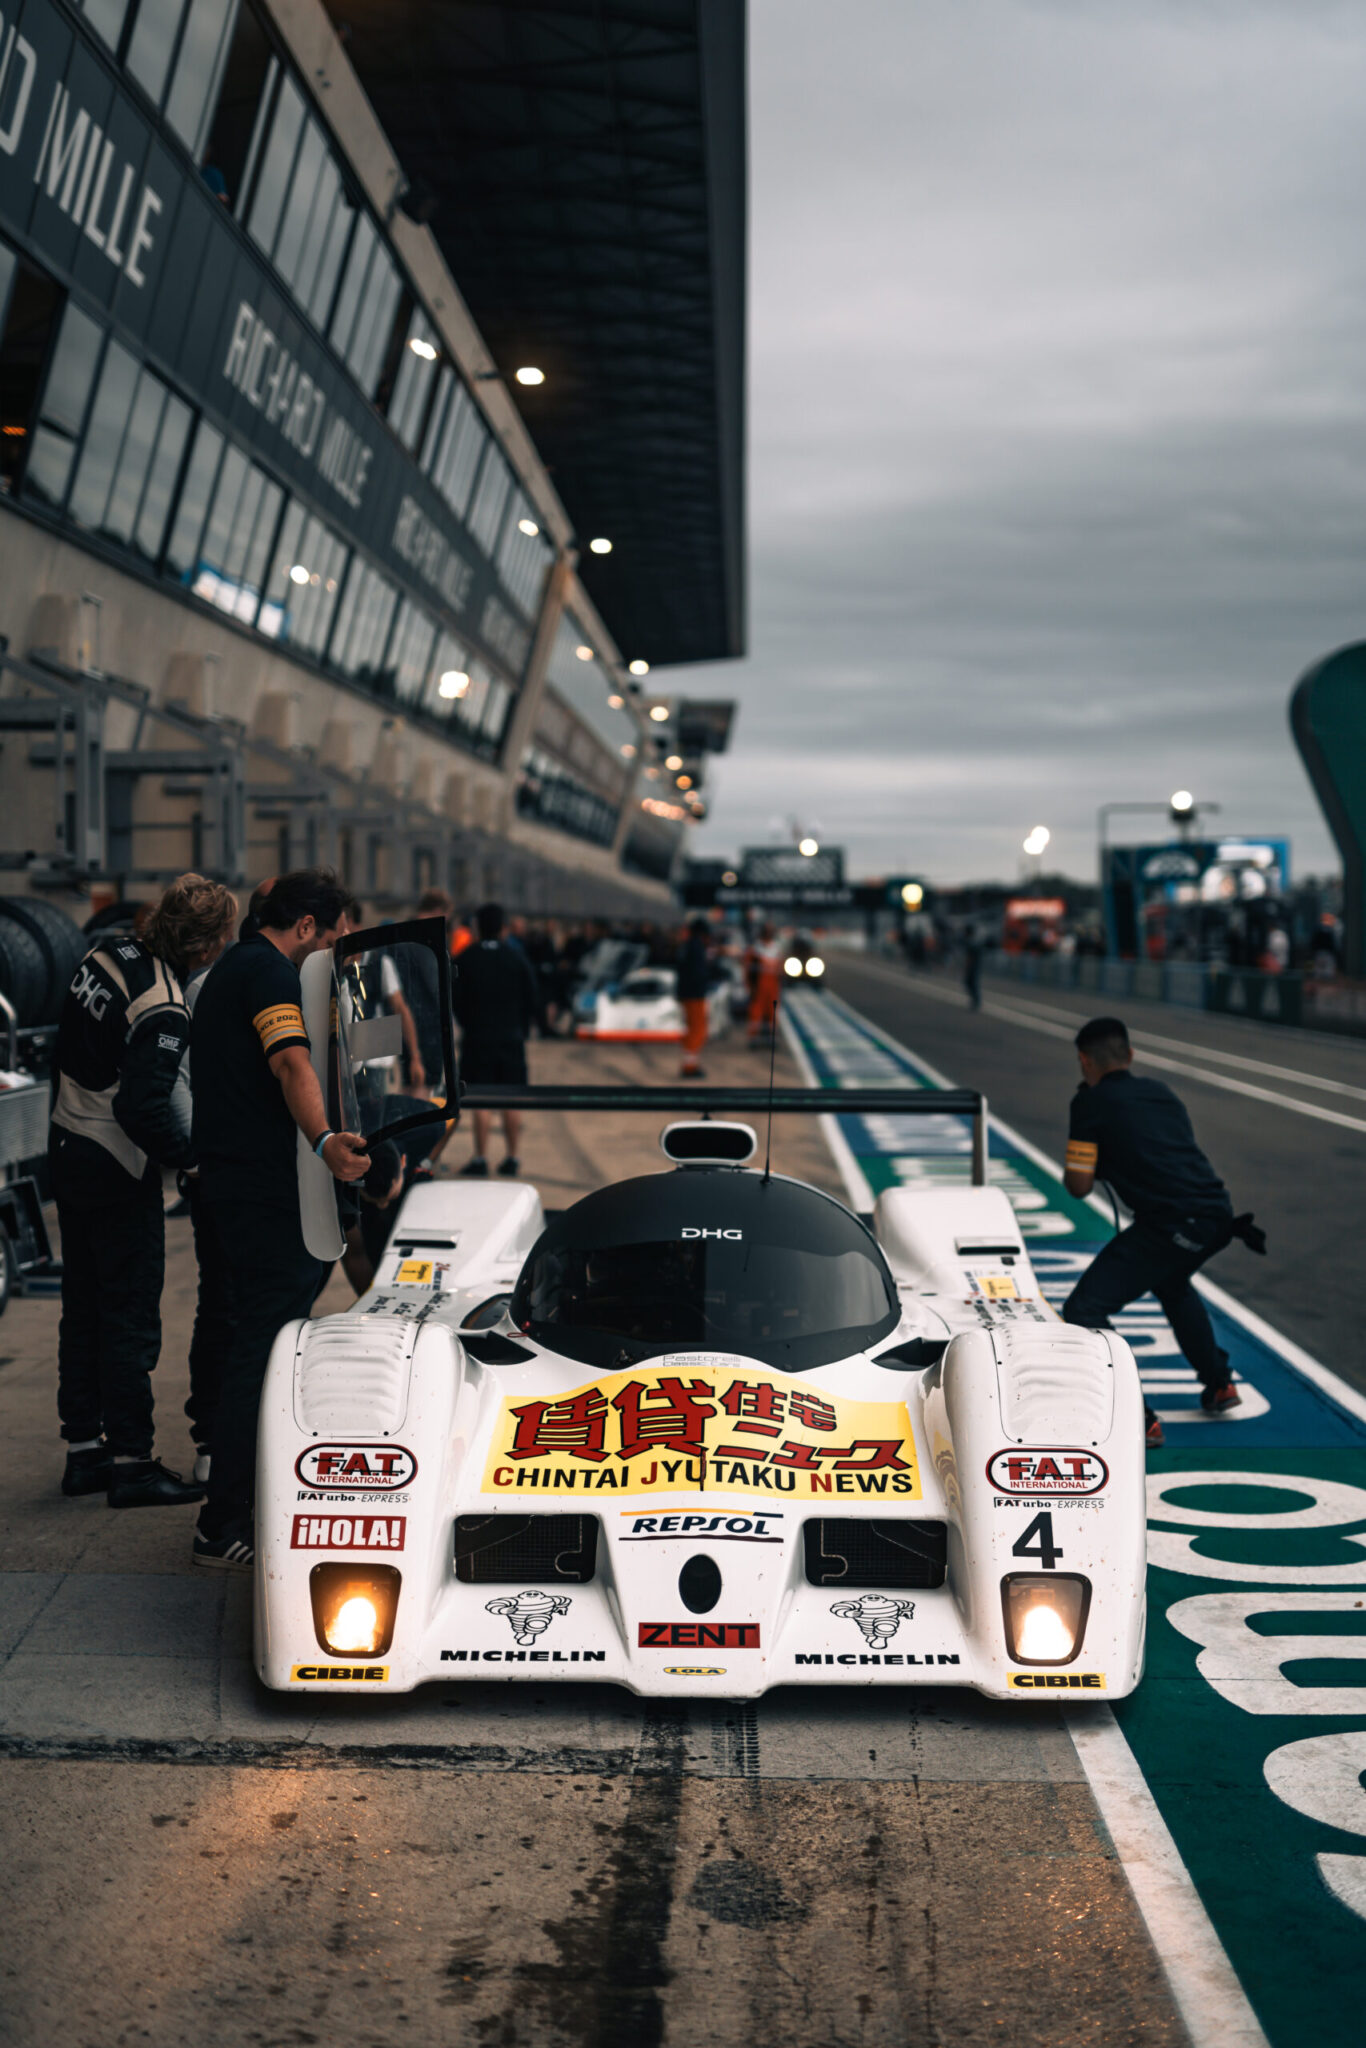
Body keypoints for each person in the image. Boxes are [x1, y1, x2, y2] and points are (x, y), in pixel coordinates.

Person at [189, 869, 370, 1567]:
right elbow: (293, 1063)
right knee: (262, 1349)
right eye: (329, 938)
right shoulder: (270, 976)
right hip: (264, 1193)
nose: (328, 950)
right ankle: (225, 1519)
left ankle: (236, 1496)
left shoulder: (234, 966)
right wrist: (327, 1143)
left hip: (228, 1186)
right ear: (304, 928)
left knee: (243, 1332)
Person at [52, 873, 237, 1506]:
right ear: (208, 945)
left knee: (82, 1310)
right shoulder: (164, 1005)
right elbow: (143, 1108)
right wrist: (189, 1161)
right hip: (115, 1165)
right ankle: (132, 1463)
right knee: (130, 1317)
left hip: (66, 1144)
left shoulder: (107, 953)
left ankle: (84, 1452)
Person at [1061, 1016, 1264, 1448]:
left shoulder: (1089, 1104)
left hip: (1172, 1223)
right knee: (1172, 1283)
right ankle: (1219, 1383)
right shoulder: (1162, 1093)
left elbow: (1078, 1187)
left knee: (1084, 1309)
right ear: (1130, 1055)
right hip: (1218, 1217)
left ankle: (1138, 1416)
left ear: (1084, 1062)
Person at [453, 901, 542, 1178]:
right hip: (510, 1038)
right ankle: (512, 1156)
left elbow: (455, 999)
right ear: (504, 928)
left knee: (481, 1098)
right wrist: (522, 1027)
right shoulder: (516, 958)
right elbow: (532, 997)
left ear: (477, 928)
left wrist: (468, 1023)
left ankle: (480, 1157)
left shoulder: (466, 957)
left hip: (478, 1038)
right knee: (512, 1098)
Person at [676, 917, 713, 1078]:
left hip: (687, 993)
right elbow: (698, 972)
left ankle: (691, 1063)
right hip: (695, 995)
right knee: (698, 1030)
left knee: (693, 1029)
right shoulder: (696, 947)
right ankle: (689, 1066)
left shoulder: (687, 946)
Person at [963, 926, 983, 1011]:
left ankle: (976, 1001)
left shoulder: (971, 942)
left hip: (973, 967)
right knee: (971, 984)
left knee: (970, 983)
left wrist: (967, 966)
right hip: (976, 966)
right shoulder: (975, 942)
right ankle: (975, 1001)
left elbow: (970, 957)